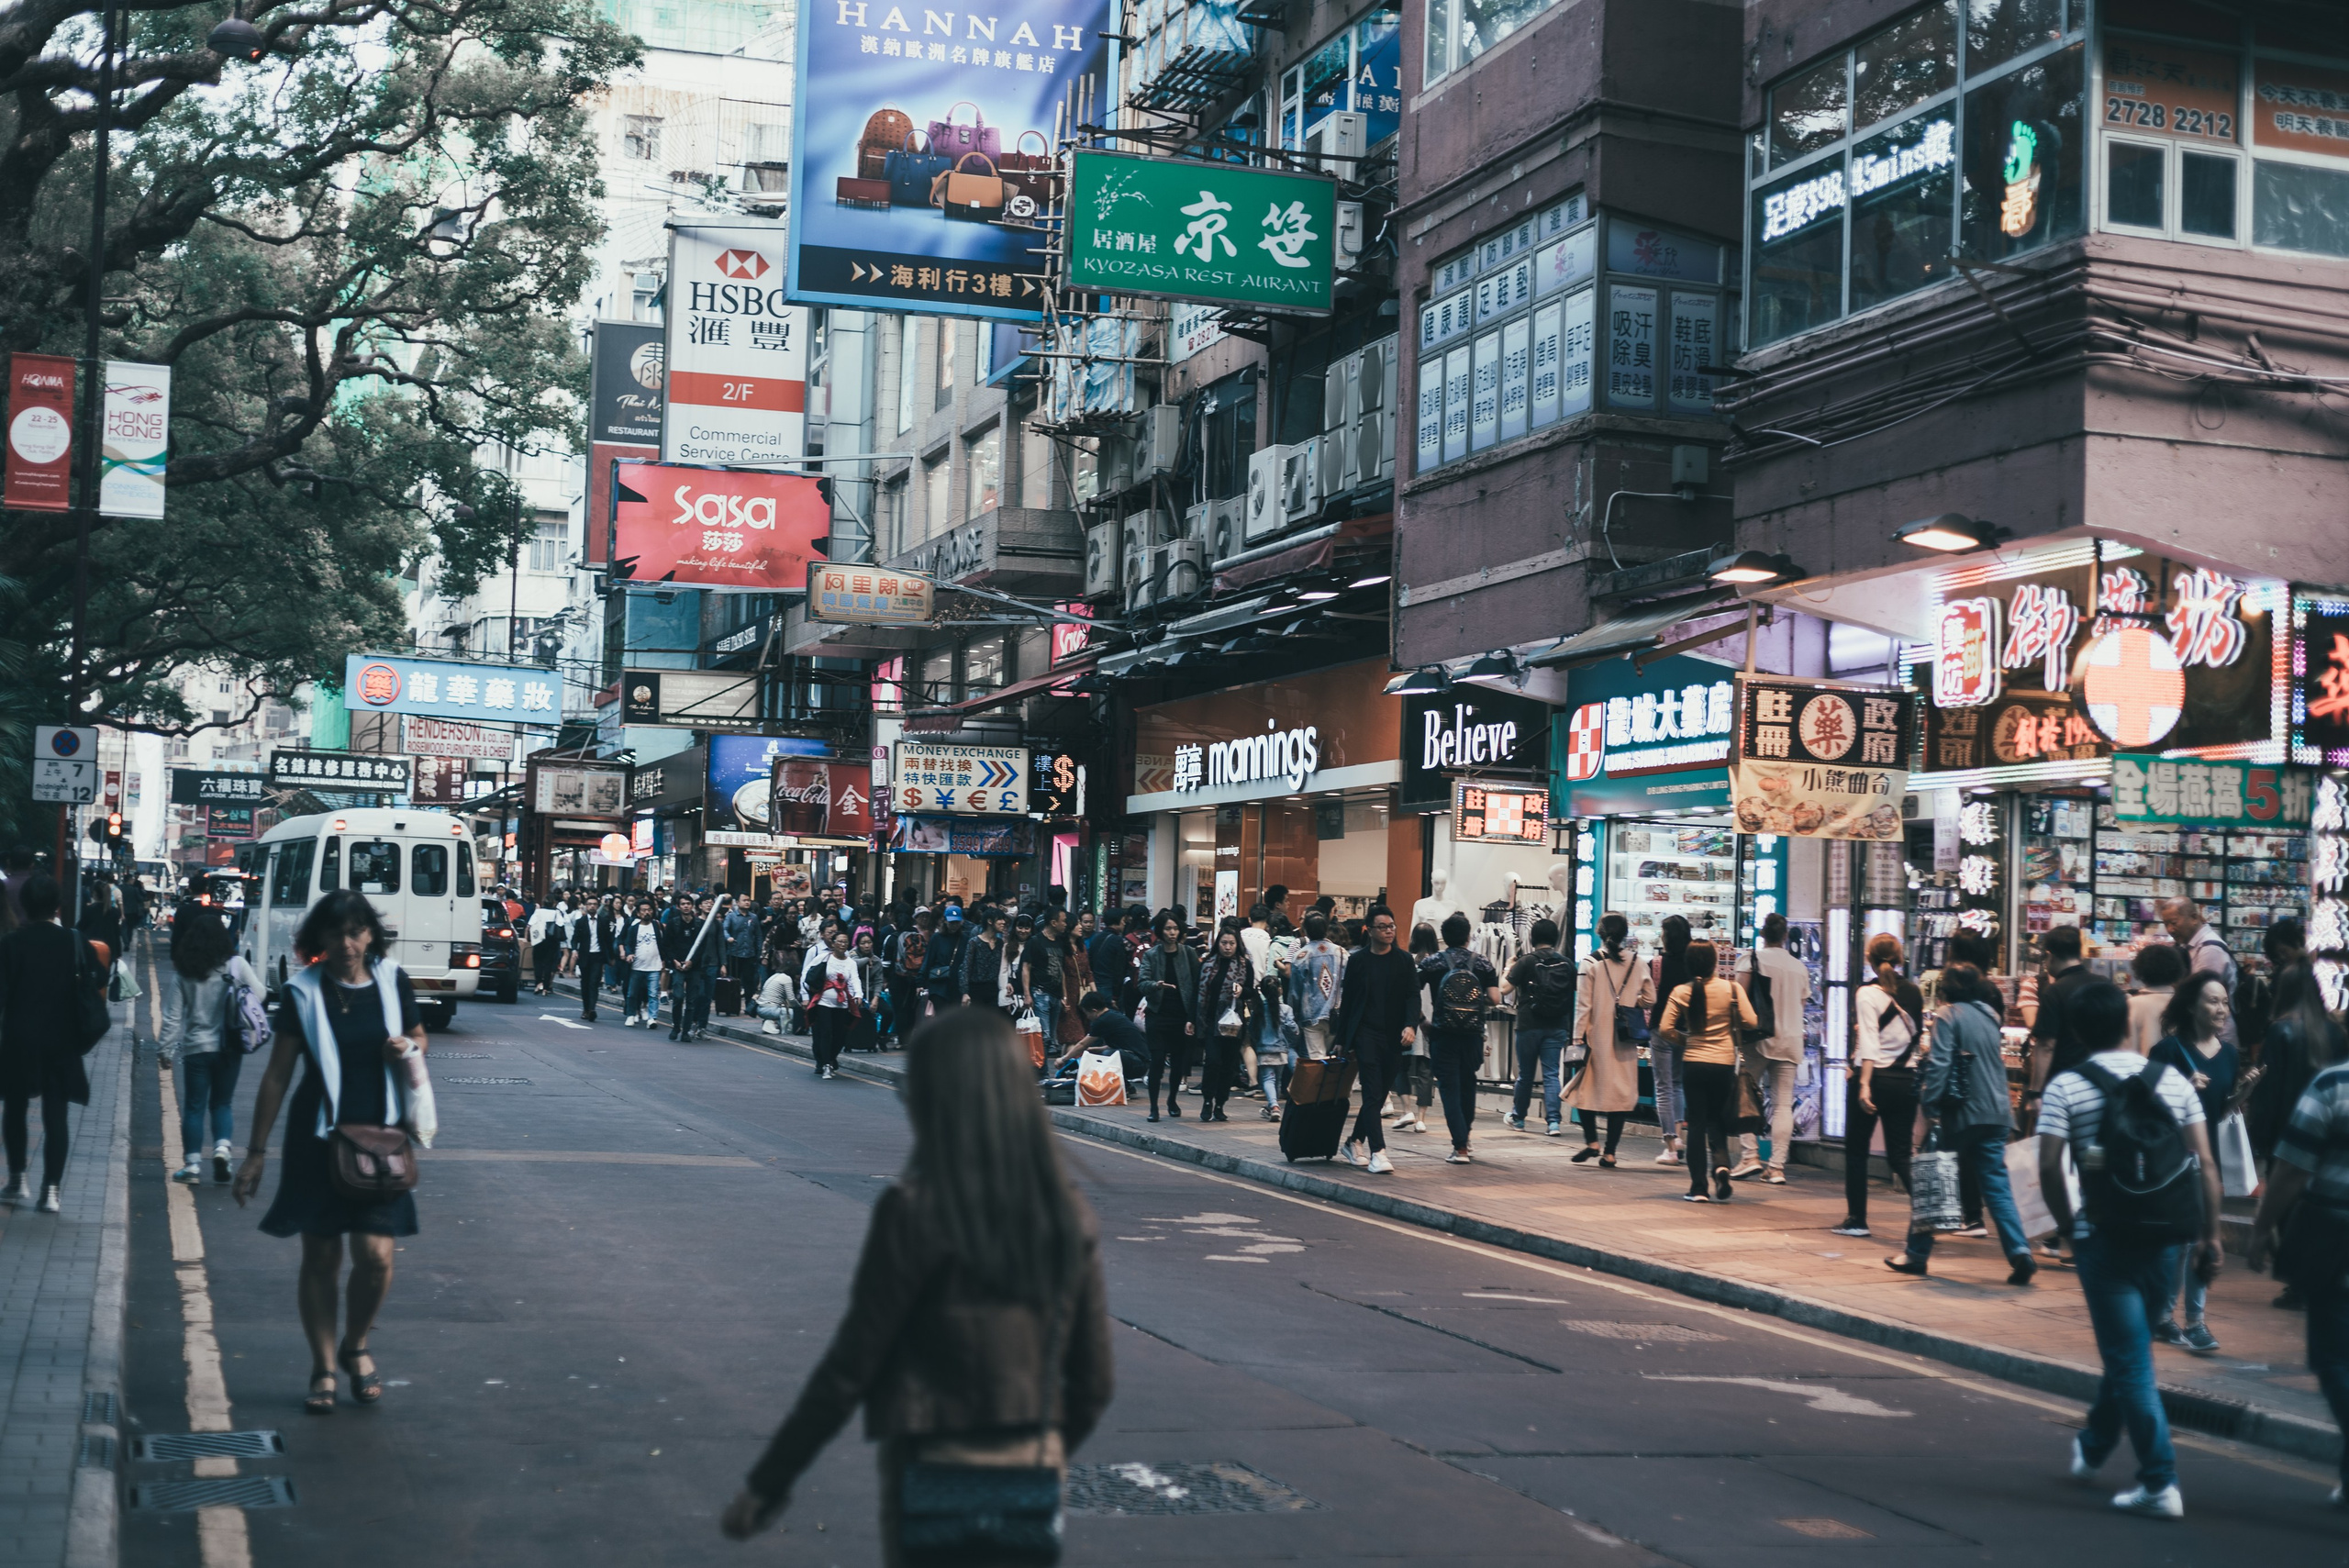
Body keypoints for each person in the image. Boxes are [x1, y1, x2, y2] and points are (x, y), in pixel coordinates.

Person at [719, 1008, 1114, 1557]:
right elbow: (1092, 1383)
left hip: (932, 1468)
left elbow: (854, 1361)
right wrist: (1042, 1447)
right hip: (1030, 1477)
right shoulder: (1064, 1213)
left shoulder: (916, 1209)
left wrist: (769, 1484)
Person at [232, 890, 429, 1415]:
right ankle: (322, 1366)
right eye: (336, 933)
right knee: (320, 1256)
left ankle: (355, 1344)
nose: (347, 943)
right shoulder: (302, 992)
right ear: (318, 939)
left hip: (382, 1139)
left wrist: (406, 1048)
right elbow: (277, 1075)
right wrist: (255, 1153)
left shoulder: (392, 980)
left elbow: (418, 1038)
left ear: (371, 934)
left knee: (376, 1255)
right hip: (317, 1138)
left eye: (357, 931)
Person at [2035, 978, 2221, 1520]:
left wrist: (2070, 1228)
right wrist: (2209, 1236)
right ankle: (2094, 1446)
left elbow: (2049, 1165)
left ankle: (2160, 1481)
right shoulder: (2174, 1082)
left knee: (2130, 1361)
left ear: (2076, 1031)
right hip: (2168, 1239)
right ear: (2126, 1024)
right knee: (2130, 1346)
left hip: (2106, 1239)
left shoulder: (2068, 1086)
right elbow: (2205, 1164)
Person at [1883, 962, 2036, 1284]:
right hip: (1997, 1112)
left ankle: (1916, 1254)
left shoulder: (1948, 1015)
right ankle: (2020, 1251)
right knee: (1996, 1187)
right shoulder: (1990, 1016)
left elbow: (1940, 1064)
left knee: (1934, 1177)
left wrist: (1931, 1103)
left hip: (1963, 1112)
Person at [2247, 1047, 2349, 1509]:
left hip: (2336, 1241)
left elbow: (2291, 1169)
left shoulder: (2333, 1085)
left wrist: (2264, 1226)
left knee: (2332, 1357)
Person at [2148, 972, 2239, 1353]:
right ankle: (2165, 1317)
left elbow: (2219, 1112)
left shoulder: (2230, 1055)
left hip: (2208, 1159)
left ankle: (2193, 1321)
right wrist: (2183, 1087)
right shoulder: (2167, 1051)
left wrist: (2238, 1099)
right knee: (2179, 1242)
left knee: (2200, 1239)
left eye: (2224, 1002)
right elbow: (2146, 1107)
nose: (2222, 1009)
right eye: (2213, 1001)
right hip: (2173, 1161)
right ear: (2191, 1006)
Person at [0, 875, 97, 1213]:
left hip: (19, 1040)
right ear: (58, 905)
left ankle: (16, 1180)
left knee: (14, 1110)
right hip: (62, 1039)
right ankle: (52, 1191)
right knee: (56, 1115)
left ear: (24, 905)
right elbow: (96, 977)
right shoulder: (74, 941)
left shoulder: (11, 944)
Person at [1833, 933, 1922, 1239]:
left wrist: (1864, 1085)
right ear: (1899, 958)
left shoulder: (1866, 993)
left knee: (1857, 1151)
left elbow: (1870, 1041)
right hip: (1906, 1079)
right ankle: (1930, 1211)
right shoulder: (1914, 992)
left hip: (1874, 1077)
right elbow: (1915, 1038)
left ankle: (1857, 1219)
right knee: (1901, 1155)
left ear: (1869, 958)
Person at [1655, 940, 1757, 1203]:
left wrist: (1687, 1040)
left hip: (1694, 1064)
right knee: (1717, 1121)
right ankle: (1721, 1166)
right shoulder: (1731, 989)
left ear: (1689, 964)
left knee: (1697, 1124)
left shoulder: (1681, 991)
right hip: (1723, 1064)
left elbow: (1666, 1029)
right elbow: (1751, 1021)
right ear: (1714, 963)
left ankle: (1698, 1188)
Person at [161, 907, 252, 1185]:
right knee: (222, 1103)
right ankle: (223, 1149)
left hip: (196, 1049)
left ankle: (192, 1167)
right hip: (229, 1046)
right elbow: (259, 993)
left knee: (194, 1108)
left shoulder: (185, 971)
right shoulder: (236, 966)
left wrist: (165, 1050)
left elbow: (173, 1016)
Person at [1339, 906, 1420, 1175]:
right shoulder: (1358, 961)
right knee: (1374, 1091)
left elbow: (1412, 996)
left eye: (1392, 926)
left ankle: (1353, 1142)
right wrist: (1341, 1039)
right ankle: (1379, 1152)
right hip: (1366, 1034)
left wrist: (1411, 1025)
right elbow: (1348, 1002)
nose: (1389, 931)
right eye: (1383, 927)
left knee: (1378, 1093)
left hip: (1395, 1035)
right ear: (1369, 930)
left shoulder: (1404, 960)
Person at [1567, 911, 1651, 1167]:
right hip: (1624, 1040)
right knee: (1620, 1095)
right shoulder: (1638, 962)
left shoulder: (1590, 962)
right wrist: (1630, 1003)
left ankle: (1592, 1142)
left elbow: (1583, 1006)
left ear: (1600, 934)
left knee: (1583, 1090)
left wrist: (1577, 1038)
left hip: (1596, 1039)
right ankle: (1610, 1152)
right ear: (1625, 934)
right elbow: (1651, 999)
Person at [1731, 913, 1810, 1183]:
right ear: (1785, 936)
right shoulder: (1799, 967)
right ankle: (1776, 1167)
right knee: (1782, 1105)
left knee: (1745, 1095)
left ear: (1762, 934)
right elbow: (1801, 1006)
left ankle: (1750, 1156)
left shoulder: (1751, 960)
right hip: (1790, 1039)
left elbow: (1738, 1000)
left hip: (1758, 1038)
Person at [1418, 912, 1499, 1164]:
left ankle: (1460, 1147)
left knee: (1449, 1088)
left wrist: (1422, 1023)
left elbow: (1409, 993)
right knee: (1467, 1085)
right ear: (1468, 936)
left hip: (1443, 1034)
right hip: (1473, 1036)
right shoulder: (1483, 963)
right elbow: (1495, 999)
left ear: (1444, 936)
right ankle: (1466, 1139)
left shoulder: (1433, 963)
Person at [1500, 917, 1575, 1137]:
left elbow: (1503, 989)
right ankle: (1553, 1123)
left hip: (1528, 1025)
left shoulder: (1526, 962)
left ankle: (1519, 1118)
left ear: (1532, 938)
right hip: (1557, 1025)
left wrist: (1507, 968)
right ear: (1555, 938)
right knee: (1552, 1074)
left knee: (1525, 1074)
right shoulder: (1568, 964)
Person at [1136, 912, 1199, 1122]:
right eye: (1167, 929)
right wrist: (1156, 985)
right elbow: (1141, 983)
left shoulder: (1188, 953)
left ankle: (1172, 1100)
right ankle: (1153, 1107)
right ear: (1160, 932)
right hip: (1158, 1015)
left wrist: (1192, 1017)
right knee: (1157, 1062)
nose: (1172, 933)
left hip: (1181, 1017)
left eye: (1175, 928)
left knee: (1178, 1062)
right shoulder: (1152, 955)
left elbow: (1197, 987)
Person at [2026, 925, 2098, 1105]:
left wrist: (2035, 1093)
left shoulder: (2054, 991)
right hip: (2099, 1080)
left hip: (2063, 1084)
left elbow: (2046, 1046)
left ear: (2049, 955)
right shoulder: (2105, 985)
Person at [1195, 928, 1257, 1123]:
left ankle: (1220, 1104)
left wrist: (1242, 990)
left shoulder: (1244, 965)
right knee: (1212, 1062)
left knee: (1228, 1066)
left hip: (1233, 1025)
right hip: (1211, 1021)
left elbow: (1251, 992)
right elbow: (1197, 992)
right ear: (1217, 943)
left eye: (1231, 943)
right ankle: (1207, 1101)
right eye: (1224, 943)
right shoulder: (1207, 963)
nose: (1228, 947)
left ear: (1237, 944)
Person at [1647, 916, 1694, 1167]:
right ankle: (1679, 1137)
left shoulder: (1656, 964)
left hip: (1661, 1029)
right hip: (1686, 1030)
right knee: (1677, 1084)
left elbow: (1647, 996)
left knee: (1663, 1086)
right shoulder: (1694, 963)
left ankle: (1670, 1147)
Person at [802, 929, 863, 1080]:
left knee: (840, 1036)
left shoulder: (850, 963)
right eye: (840, 941)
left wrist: (858, 994)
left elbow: (855, 980)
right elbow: (808, 974)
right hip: (824, 1002)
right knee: (825, 1033)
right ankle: (826, 1064)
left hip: (842, 1004)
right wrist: (805, 994)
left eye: (845, 942)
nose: (843, 944)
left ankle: (831, 1057)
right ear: (833, 943)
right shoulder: (824, 958)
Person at [1286, 911, 1346, 1062]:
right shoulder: (1342, 953)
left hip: (1311, 1015)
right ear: (1326, 929)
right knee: (1333, 1059)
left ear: (1305, 931)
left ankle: (1320, 1086)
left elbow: (1295, 991)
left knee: (1318, 1061)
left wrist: (1292, 1014)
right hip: (1337, 1013)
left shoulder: (1301, 955)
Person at [1066, 990, 1149, 1082]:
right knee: (1105, 1054)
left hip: (1138, 1064)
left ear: (1094, 1011)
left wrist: (1063, 1059)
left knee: (1107, 1056)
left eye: (1087, 1014)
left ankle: (1118, 1086)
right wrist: (1093, 1050)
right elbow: (1119, 1045)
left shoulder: (1102, 1021)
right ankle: (1126, 1087)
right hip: (1140, 1061)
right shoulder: (1112, 1015)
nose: (1087, 1017)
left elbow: (1082, 1044)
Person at [1021, 907, 1072, 1046]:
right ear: (1054, 922)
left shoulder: (1060, 941)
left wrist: (1064, 995)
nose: (1066, 924)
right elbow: (1026, 967)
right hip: (1040, 992)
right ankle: (1039, 1066)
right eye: (1063, 921)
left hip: (1056, 993)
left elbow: (1061, 969)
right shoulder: (1035, 941)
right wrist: (1027, 994)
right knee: (1045, 1035)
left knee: (1050, 1036)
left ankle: (1040, 1066)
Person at [2125, 942, 2186, 1057]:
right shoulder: (2184, 1003)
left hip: (2142, 1070)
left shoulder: (2133, 1004)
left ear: (2140, 970)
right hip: (2178, 1071)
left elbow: (2128, 1046)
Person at [619, 896, 665, 1028]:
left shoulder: (657, 926)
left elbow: (663, 944)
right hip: (637, 966)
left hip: (654, 966)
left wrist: (663, 960)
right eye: (643, 910)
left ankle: (652, 1018)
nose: (647, 913)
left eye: (649, 910)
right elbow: (628, 943)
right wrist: (629, 954)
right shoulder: (634, 927)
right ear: (638, 913)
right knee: (632, 993)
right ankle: (631, 1014)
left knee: (652, 994)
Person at [573, 895, 614, 1022]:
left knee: (594, 983)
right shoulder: (581, 921)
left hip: (598, 956)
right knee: (585, 984)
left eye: (594, 904)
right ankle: (586, 1009)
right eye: (589, 904)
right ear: (586, 906)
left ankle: (592, 1009)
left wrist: (611, 957)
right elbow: (575, 938)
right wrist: (574, 950)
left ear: (598, 906)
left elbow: (608, 940)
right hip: (585, 956)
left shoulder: (604, 921)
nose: (592, 906)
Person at [723, 894, 762, 1016]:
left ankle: (749, 1008)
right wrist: (728, 938)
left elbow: (758, 936)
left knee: (750, 983)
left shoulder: (754, 917)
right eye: (744, 900)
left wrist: (759, 952)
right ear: (738, 903)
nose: (747, 902)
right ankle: (731, 1007)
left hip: (749, 954)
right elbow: (724, 929)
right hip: (735, 954)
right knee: (733, 983)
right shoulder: (731, 916)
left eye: (748, 900)